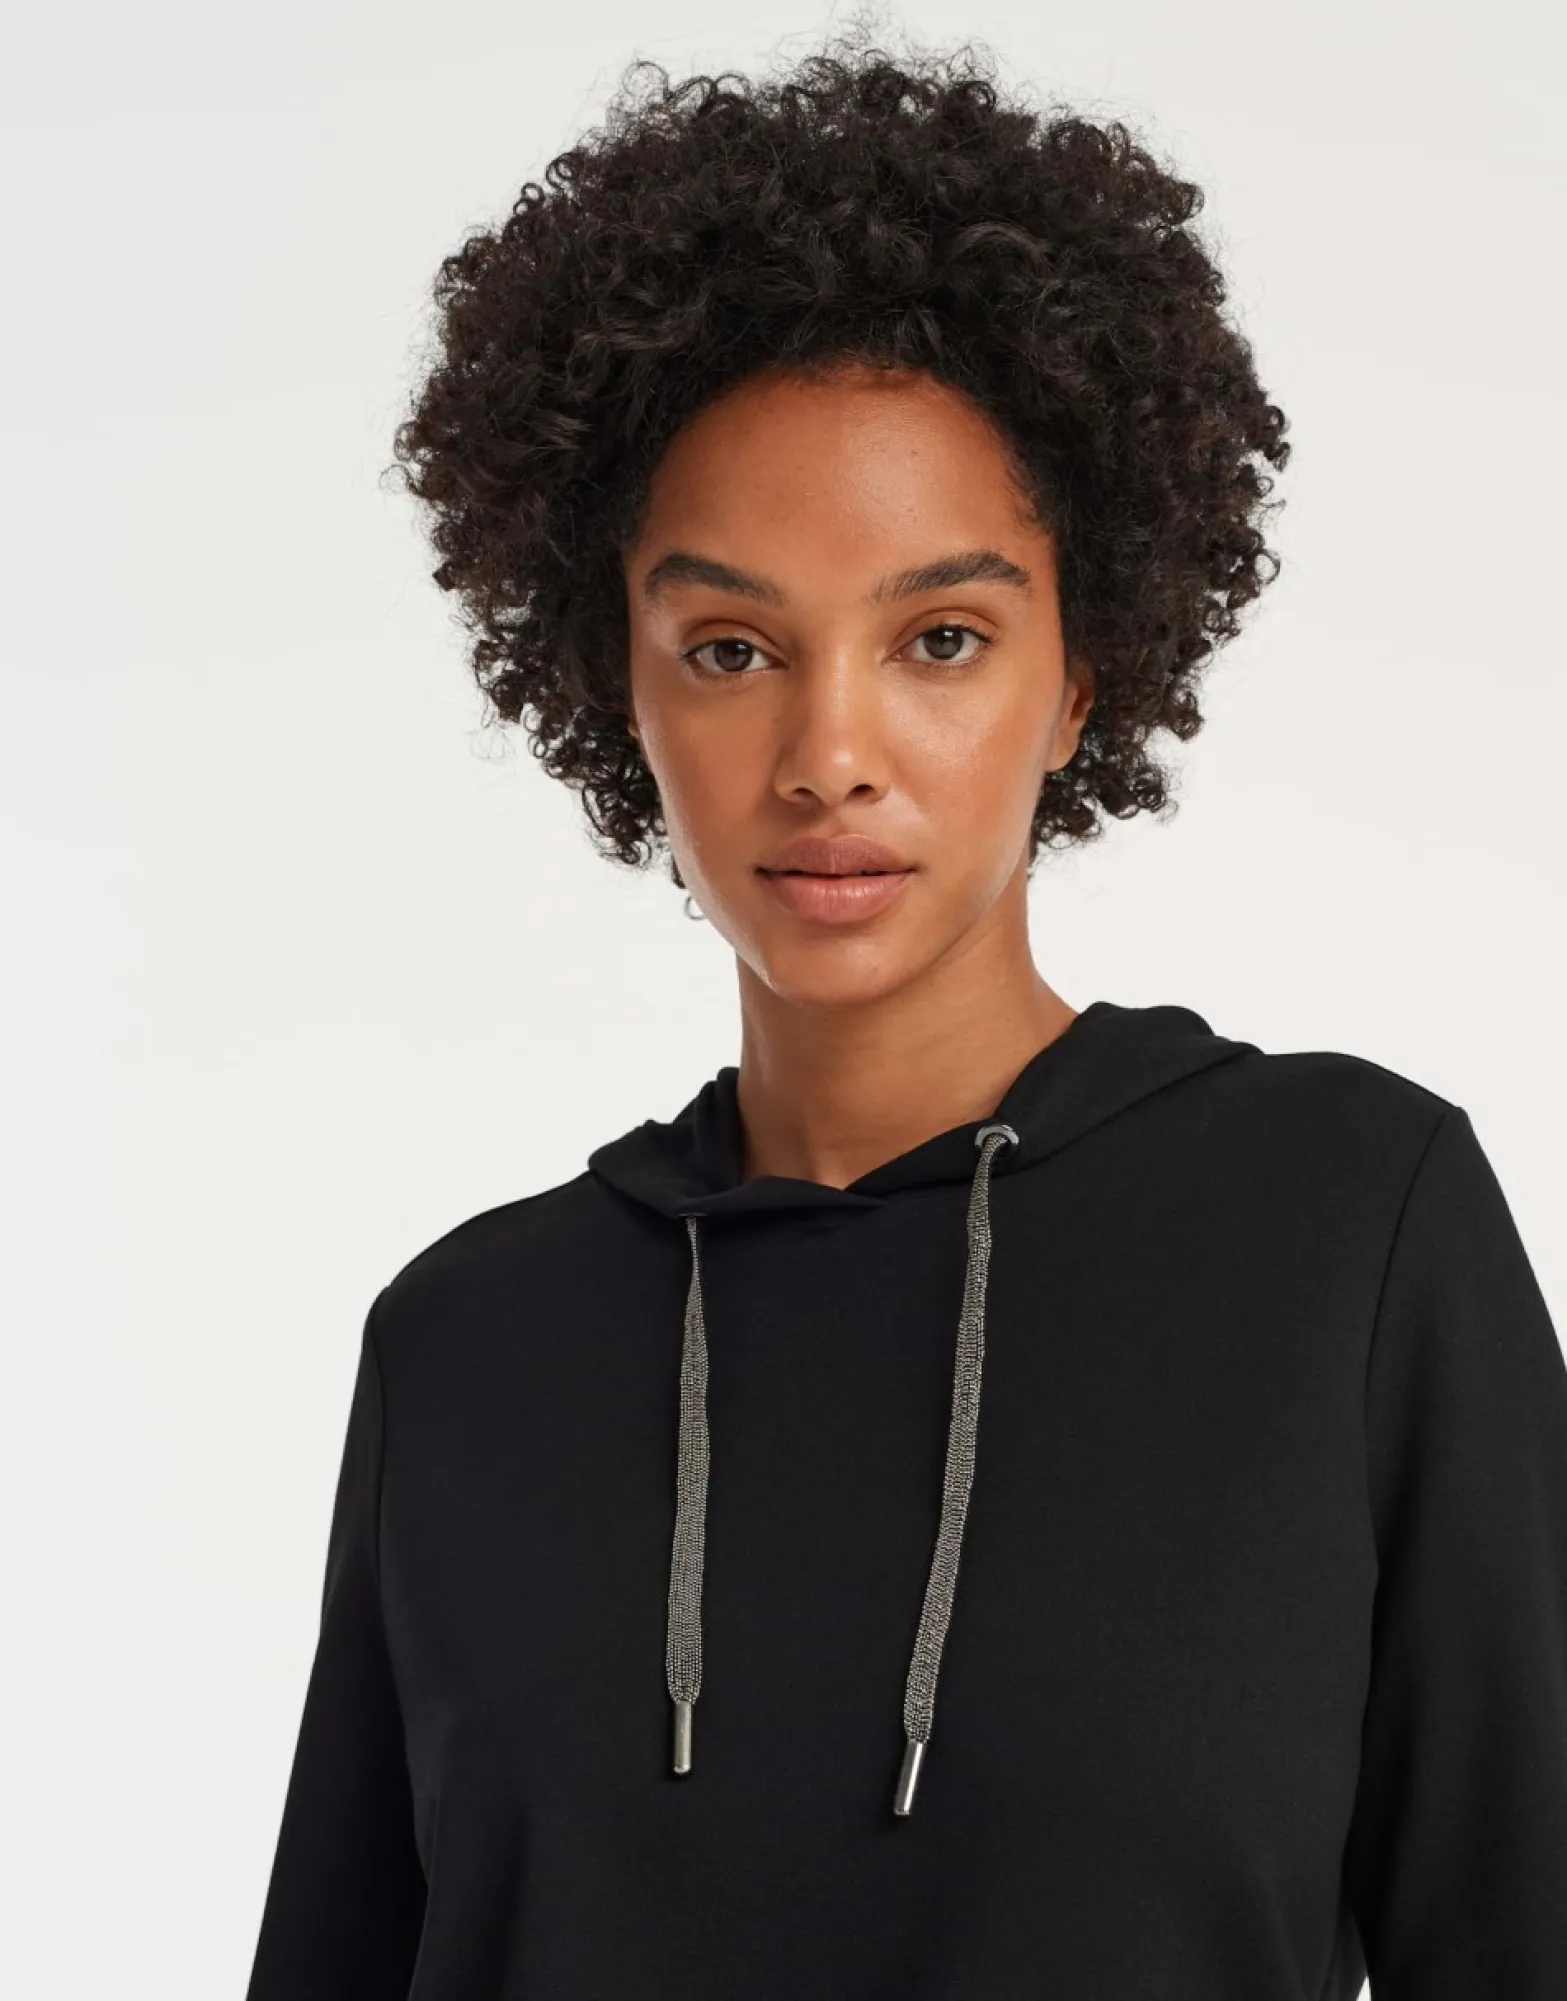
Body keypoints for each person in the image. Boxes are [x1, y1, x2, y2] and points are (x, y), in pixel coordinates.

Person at [243, 25, 1567, 1999]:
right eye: (729, 648)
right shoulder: (466, 1344)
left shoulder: (1348, 1231)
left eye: (940, 638)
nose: (828, 754)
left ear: (1081, 672)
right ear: (618, 680)